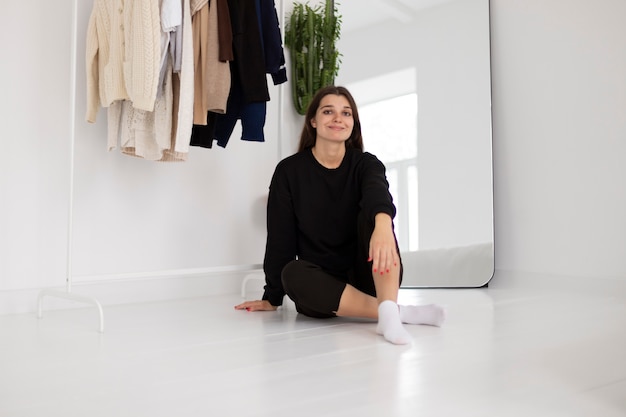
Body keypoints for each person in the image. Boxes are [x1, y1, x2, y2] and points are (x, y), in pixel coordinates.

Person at [234, 86, 444, 345]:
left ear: (353, 123)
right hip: (320, 289)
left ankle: (388, 310)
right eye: (328, 111)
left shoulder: (366, 164)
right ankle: (395, 312)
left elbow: (378, 194)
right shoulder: (289, 172)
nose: (338, 118)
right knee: (293, 273)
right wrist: (272, 297)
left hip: (369, 276)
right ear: (313, 120)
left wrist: (382, 225)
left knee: (378, 217)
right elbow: (281, 238)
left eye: (346, 113)